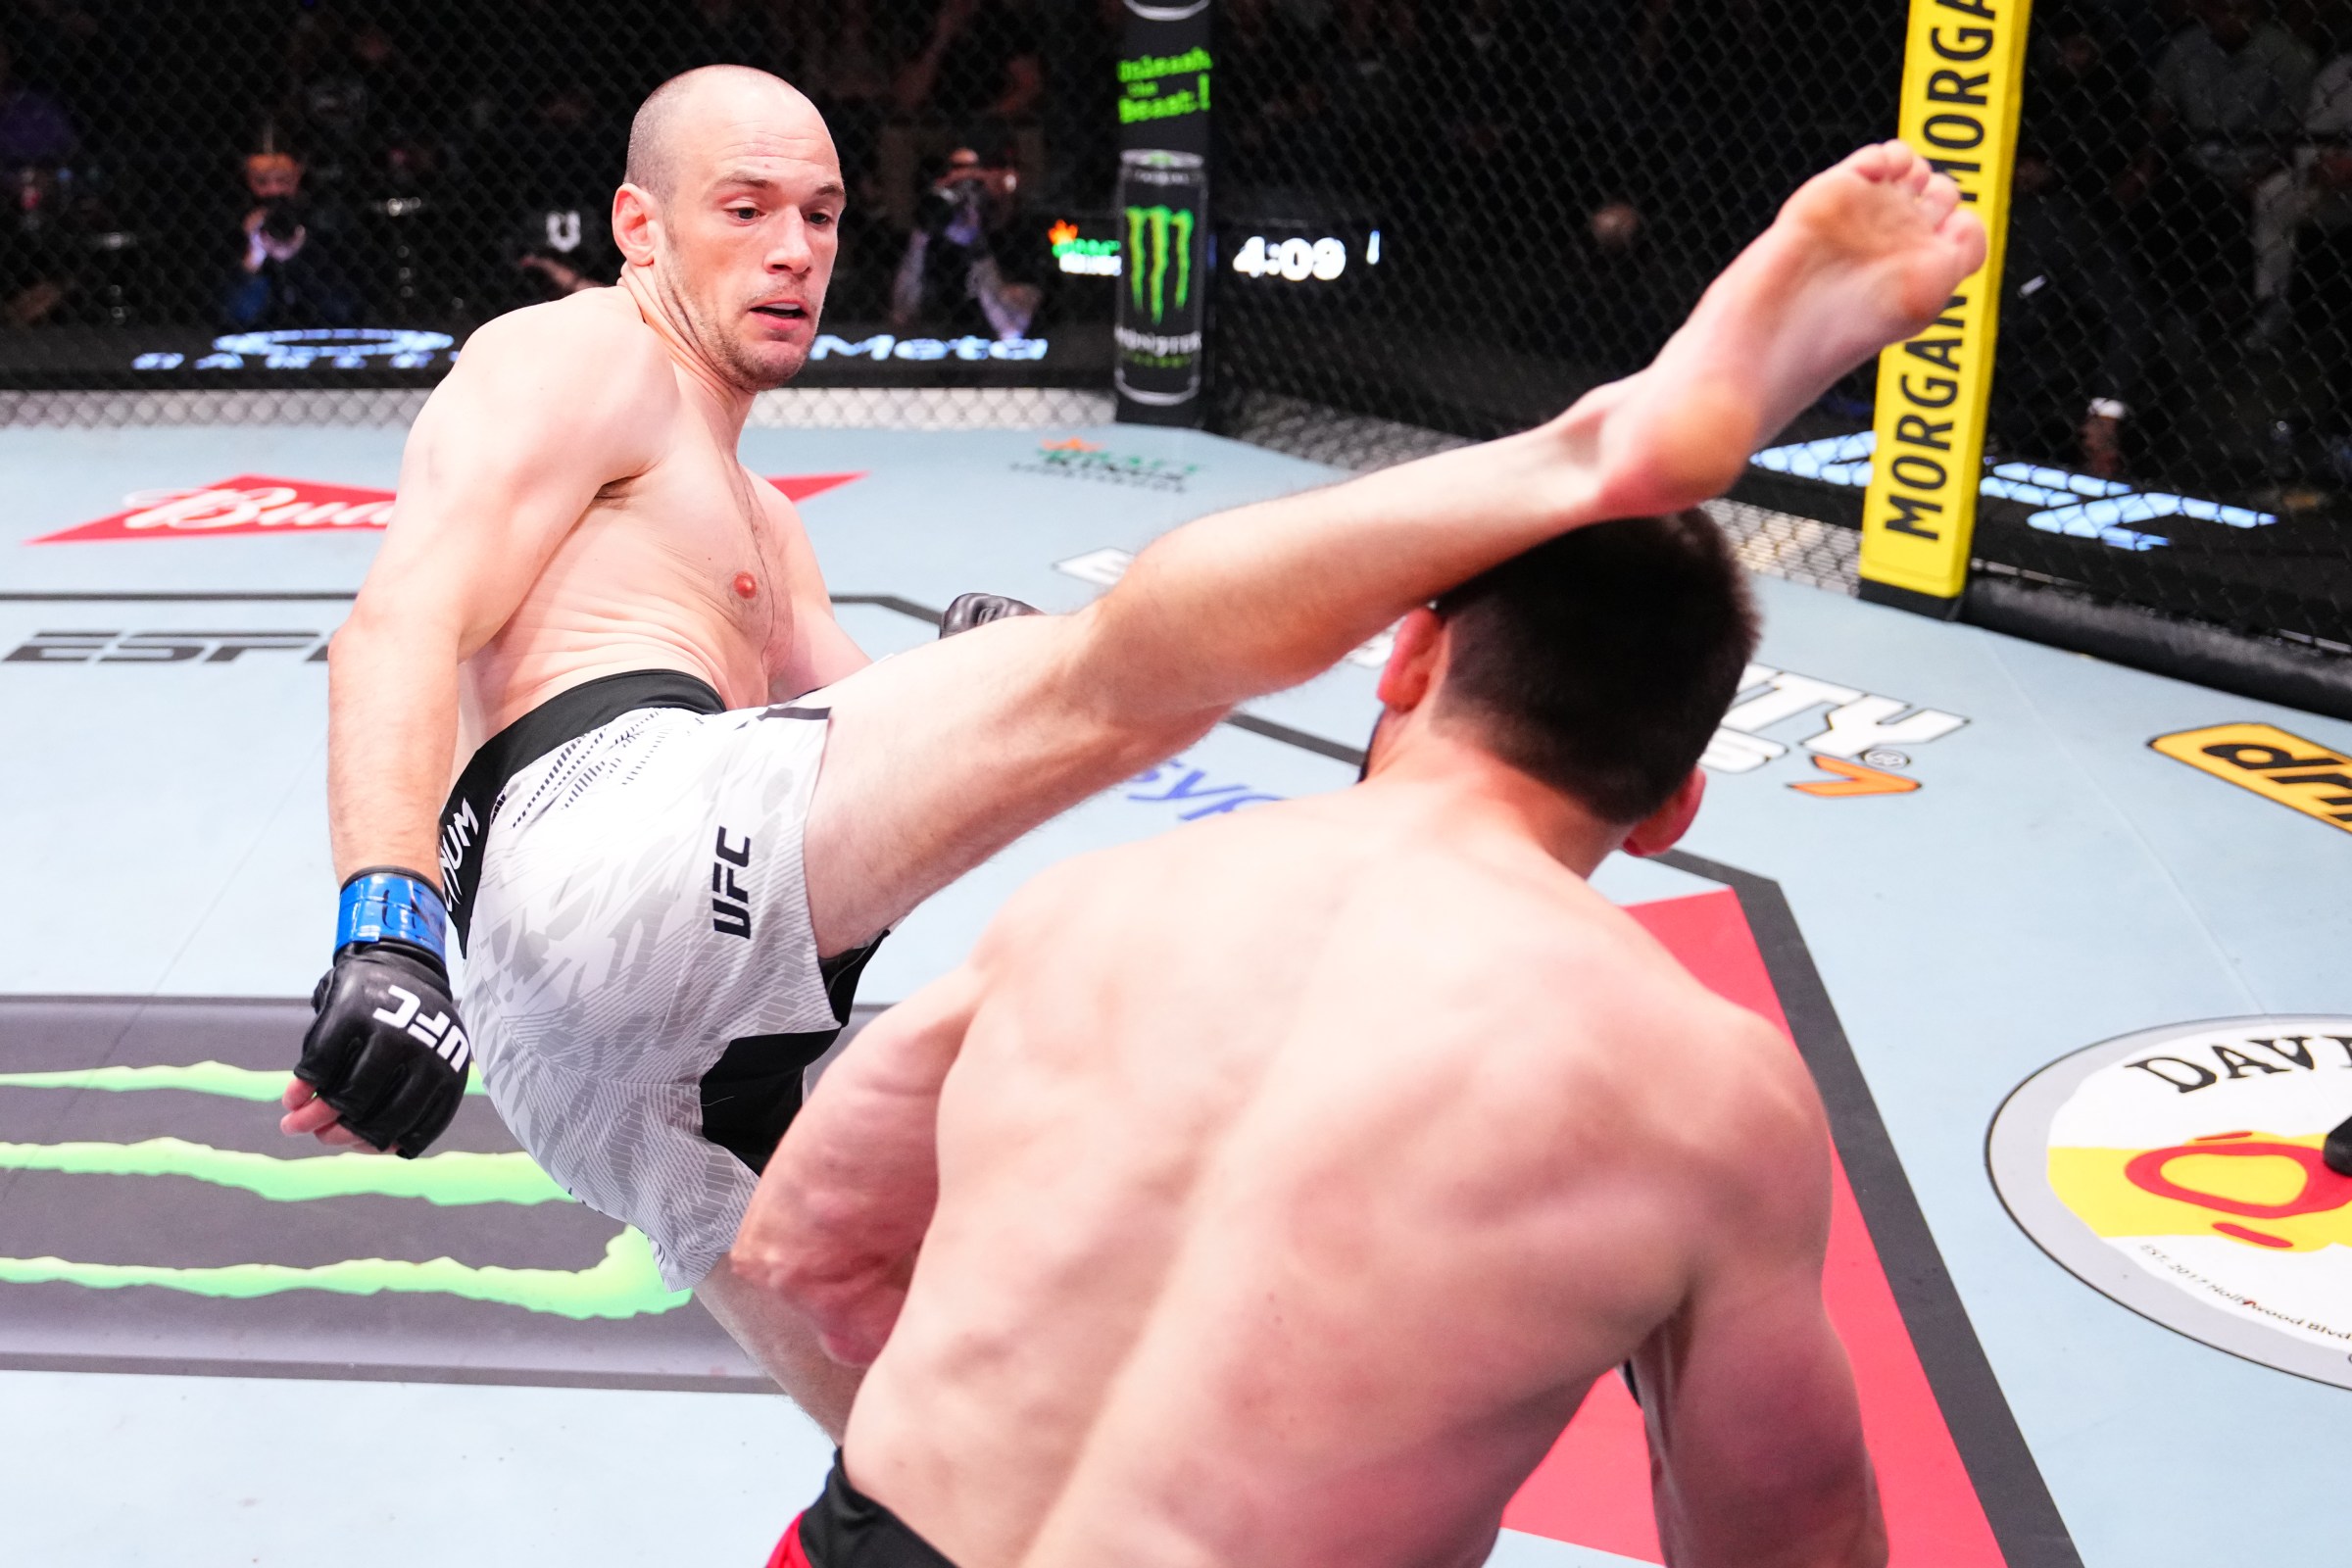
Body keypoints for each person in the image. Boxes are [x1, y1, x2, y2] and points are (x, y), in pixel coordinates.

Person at [276, 59, 1982, 1444]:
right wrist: (379, 933)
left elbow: (862, 760)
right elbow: (397, 626)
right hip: (594, 848)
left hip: (610, 1056)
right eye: (746, 212)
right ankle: (1603, 444)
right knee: (1114, 676)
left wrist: (962, 690)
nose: (796, 248)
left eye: (820, 213)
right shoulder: (572, 353)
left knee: (959, 1455)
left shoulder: (752, 523)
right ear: (640, 227)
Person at [730, 514, 1886, 1568]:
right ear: (1675, 806)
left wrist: (1023, 1410)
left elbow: (801, 1241)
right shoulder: (1711, 1093)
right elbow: (1793, 1547)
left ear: (1413, 659)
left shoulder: (1100, 895)